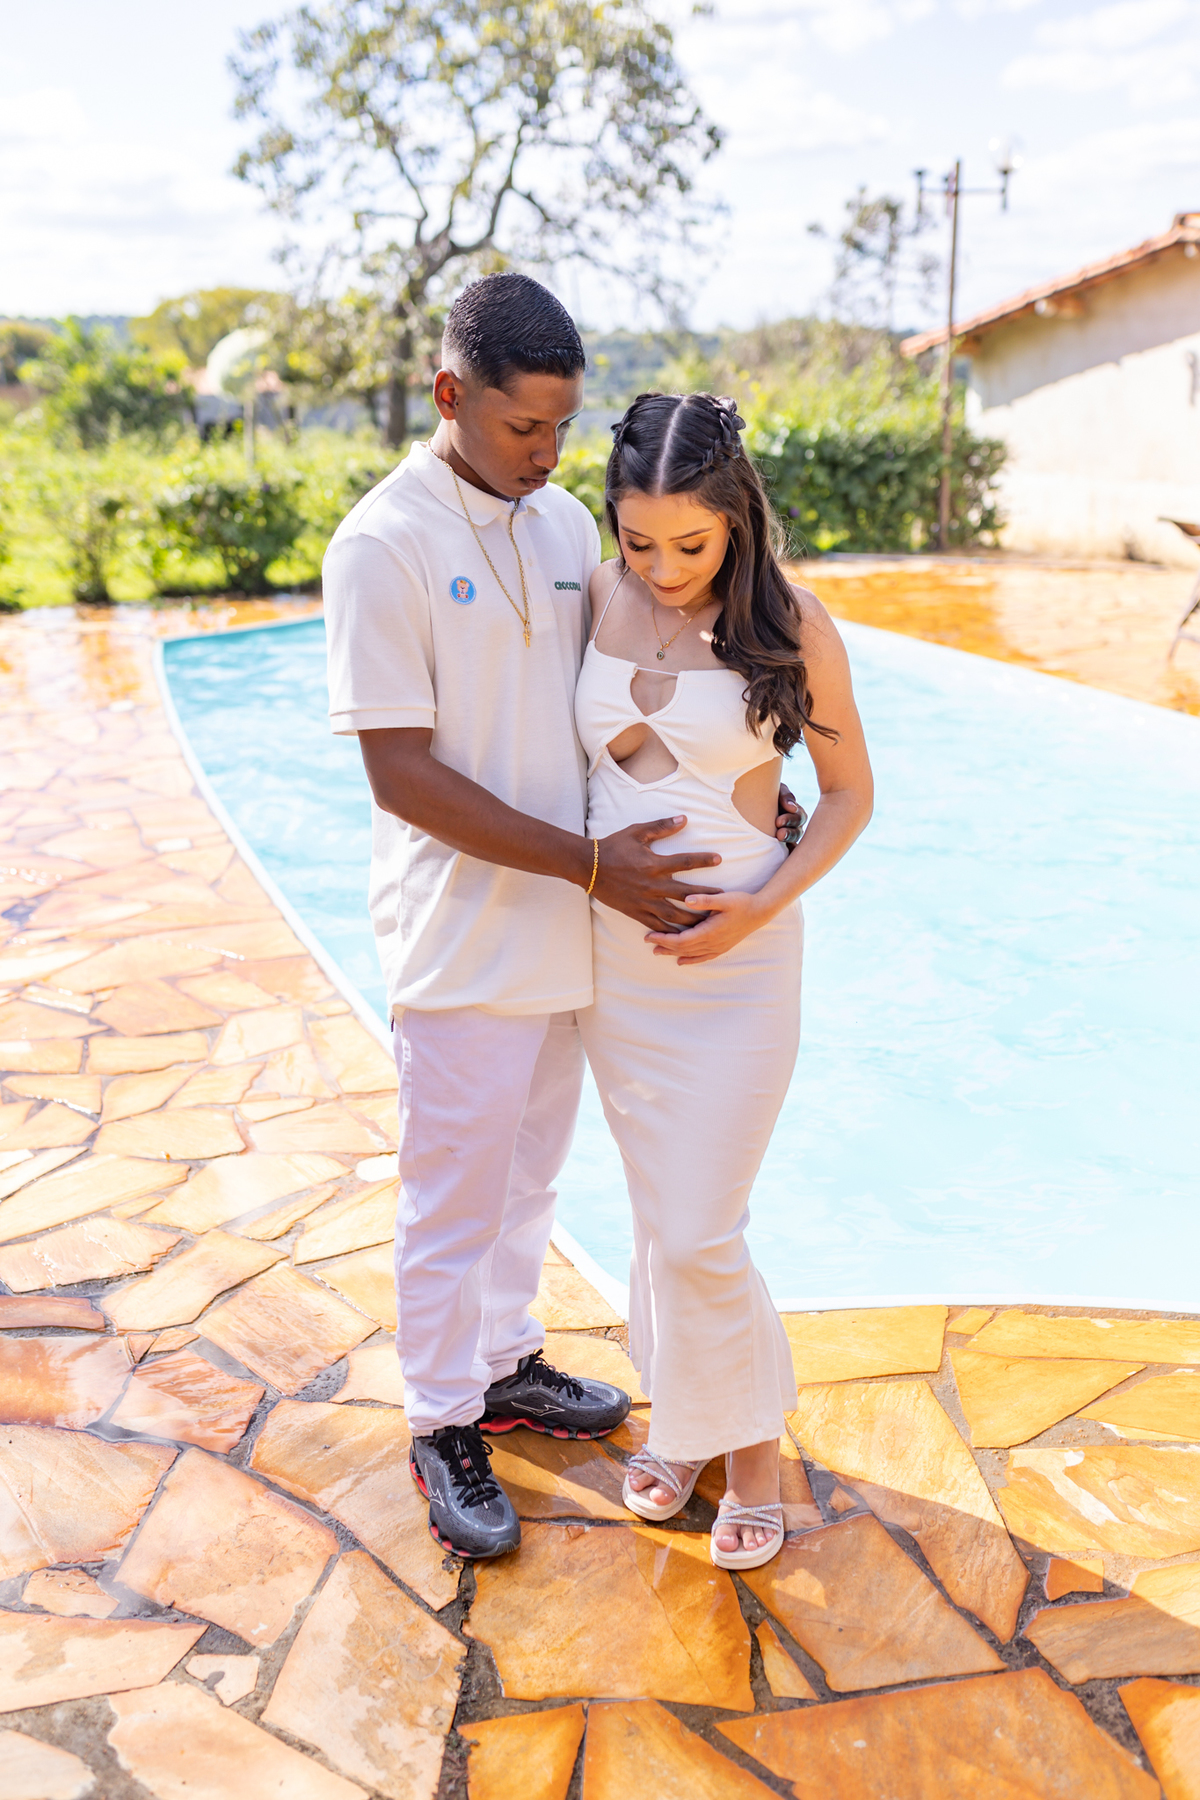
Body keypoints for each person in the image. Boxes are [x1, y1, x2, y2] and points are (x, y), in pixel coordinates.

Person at [323, 275, 800, 1561]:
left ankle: (502, 1360)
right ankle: (440, 1419)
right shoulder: (381, 546)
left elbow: (644, 695)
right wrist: (593, 865)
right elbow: (399, 774)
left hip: (577, 930)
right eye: (524, 427)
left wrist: (753, 793)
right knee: (453, 1192)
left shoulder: (559, 528)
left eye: (562, 428)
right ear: (450, 395)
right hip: (465, 931)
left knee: (530, 1172)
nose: (547, 453)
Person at [575, 391, 874, 1569]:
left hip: (742, 969)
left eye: (691, 545)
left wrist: (760, 902)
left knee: (703, 1225)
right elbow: (581, 761)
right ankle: (686, 1425)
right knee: (663, 1217)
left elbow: (848, 798)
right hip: (618, 967)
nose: (662, 571)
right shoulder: (593, 595)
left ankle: (753, 1458)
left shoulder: (792, 626)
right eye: (638, 541)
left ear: (736, 519)